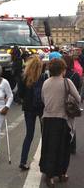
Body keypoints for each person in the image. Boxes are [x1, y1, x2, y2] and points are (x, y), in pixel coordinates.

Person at [39, 58, 81, 187]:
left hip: (47, 119)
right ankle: (61, 173)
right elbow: (78, 98)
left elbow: (43, 99)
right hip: (62, 120)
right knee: (63, 148)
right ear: (63, 70)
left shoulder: (45, 82)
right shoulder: (66, 82)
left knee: (49, 148)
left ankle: (49, 175)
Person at [17, 55, 48, 171]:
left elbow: (20, 94)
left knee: (29, 135)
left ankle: (23, 161)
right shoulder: (43, 77)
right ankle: (44, 162)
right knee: (44, 135)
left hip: (28, 108)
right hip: (41, 108)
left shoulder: (24, 77)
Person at [62, 54, 81, 155]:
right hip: (72, 103)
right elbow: (78, 87)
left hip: (61, 102)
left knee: (62, 124)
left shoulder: (61, 75)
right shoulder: (75, 75)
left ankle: (64, 145)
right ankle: (72, 147)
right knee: (72, 125)